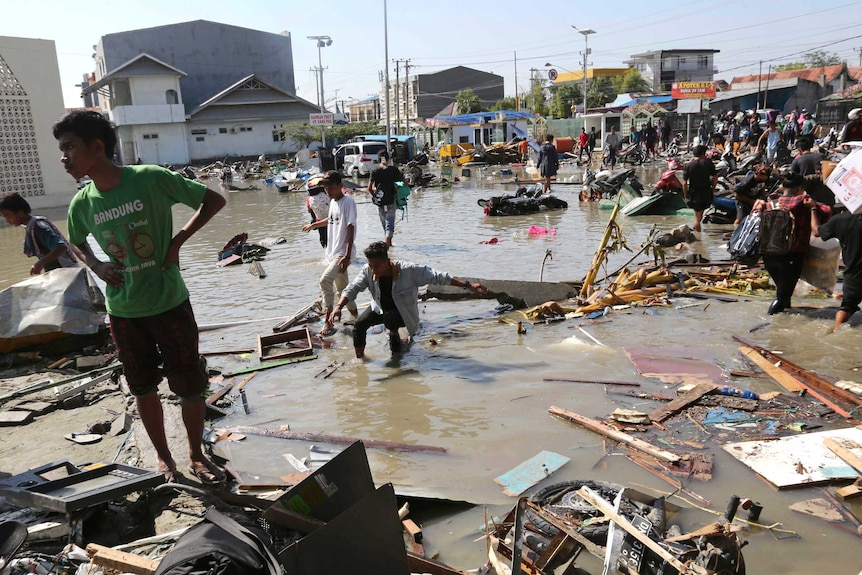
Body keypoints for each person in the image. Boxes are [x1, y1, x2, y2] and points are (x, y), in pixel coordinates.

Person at [56, 110, 227, 484]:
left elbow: (213, 201)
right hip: (124, 312)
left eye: (69, 147)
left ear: (97, 147)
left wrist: (178, 241)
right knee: (143, 387)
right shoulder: (81, 203)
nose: (63, 157)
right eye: (61, 149)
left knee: (190, 385)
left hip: (169, 303)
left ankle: (197, 455)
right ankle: (166, 461)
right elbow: (78, 240)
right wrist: (98, 267)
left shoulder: (150, 178)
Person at [329, 241, 488, 359]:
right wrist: (338, 306)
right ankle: (361, 361)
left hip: (403, 314)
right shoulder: (368, 271)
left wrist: (468, 285)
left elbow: (439, 277)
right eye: (370, 265)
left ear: (386, 260)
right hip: (379, 308)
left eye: (376, 265)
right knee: (359, 325)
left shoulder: (409, 270)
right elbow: (353, 288)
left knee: (393, 335)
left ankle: (394, 337)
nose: (373, 270)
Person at [753, 174, 831, 315]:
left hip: (769, 255)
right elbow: (827, 211)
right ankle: (770, 324)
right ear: (800, 188)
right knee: (782, 296)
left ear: (783, 187)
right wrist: (812, 206)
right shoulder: (803, 201)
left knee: (784, 292)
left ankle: (785, 323)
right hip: (791, 255)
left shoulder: (769, 203)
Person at [302, 170, 358, 335]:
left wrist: (347, 255)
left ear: (340, 186)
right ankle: (356, 316)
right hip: (333, 251)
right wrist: (314, 225)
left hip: (342, 253)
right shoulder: (333, 202)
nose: (327, 191)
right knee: (343, 289)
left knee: (325, 281)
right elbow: (332, 219)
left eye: (330, 188)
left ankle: (328, 321)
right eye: (325, 188)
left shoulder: (348, 202)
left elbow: (350, 227)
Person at [1, 192, 79, 275]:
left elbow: (61, 247)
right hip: (58, 273)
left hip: (68, 272)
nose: (7, 221)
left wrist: (40, 263)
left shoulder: (39, 227)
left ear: (20, 213)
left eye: (8, 216)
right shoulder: (30, 227)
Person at [813, 211, 862, 332]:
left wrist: (813, 209)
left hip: (854, 273)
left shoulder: (841, 220)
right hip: (854, 272)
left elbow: (816, 231)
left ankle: (835, 332)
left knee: (846, 307)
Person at [367, 150, 404, 248]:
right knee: (390, 222)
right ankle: (388, 243)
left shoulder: (374, 170)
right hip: (391, 200)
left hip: (380, 201)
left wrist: (375, 196)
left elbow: (369, 188)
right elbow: (403, 184)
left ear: (379, 159)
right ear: (388, 159)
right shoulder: (394, 170)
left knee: (384, 223)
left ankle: (389, 243)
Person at [682, 145, 717, 233]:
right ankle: (697, 232)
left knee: (697, 217)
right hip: (706, 192)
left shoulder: (688, 165)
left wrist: (685, 194)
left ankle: (698, 238)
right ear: (703, 153)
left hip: (694, 193)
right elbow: (715, 177)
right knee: (700, 214)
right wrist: (713, 189)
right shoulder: (708, 163)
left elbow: (684, 182)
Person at [305, 175, 330, 248]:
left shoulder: (309, 198)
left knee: (324, 240)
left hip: (319, 222)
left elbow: (309, 210)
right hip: (332, 220)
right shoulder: (328, 193)